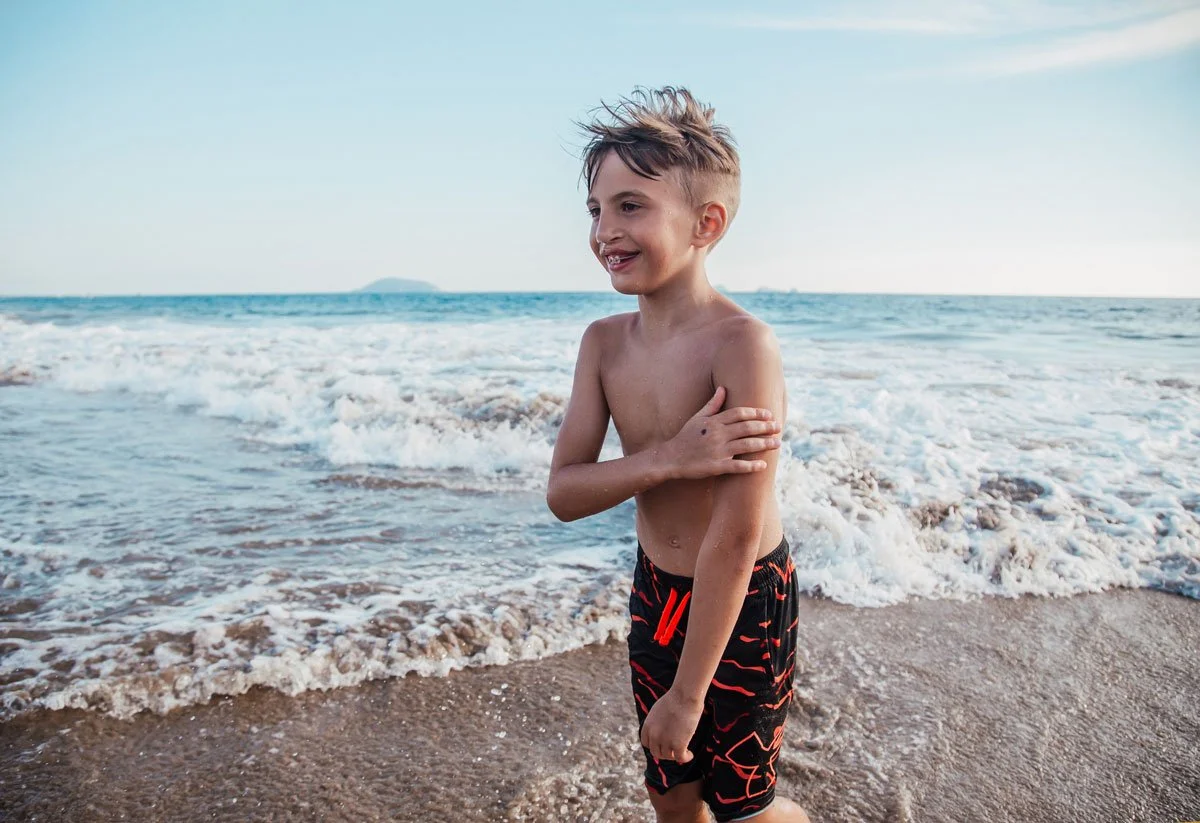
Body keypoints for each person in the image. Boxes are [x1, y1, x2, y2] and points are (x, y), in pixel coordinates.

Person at [546, 87, 812, 823]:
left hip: (743, 595)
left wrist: (691, 692)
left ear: (707, 223)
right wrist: (667, 458)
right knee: (670, 790)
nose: (605, 229)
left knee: (744, 808)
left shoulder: (742, 345)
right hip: (656, 591)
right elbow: (563, 492)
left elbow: (731, 537)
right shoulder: (603, 344)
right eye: (596, 210)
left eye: (630, 206)